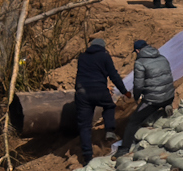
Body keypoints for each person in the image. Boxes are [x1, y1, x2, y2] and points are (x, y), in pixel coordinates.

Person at [74, 36, 130, 164]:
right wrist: (124, 91)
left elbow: (81, 74)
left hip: (82, 92)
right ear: (103, 47)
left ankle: (87, 157)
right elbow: (113, 75)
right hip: (99, 90)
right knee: (109, 106)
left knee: (85, 125)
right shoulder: (104, 56)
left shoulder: (82, 57)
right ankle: (109, 130)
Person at [115, 39, 174, 156]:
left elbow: (138, 85)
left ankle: (123, 149)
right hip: (169, 95)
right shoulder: (162, 57)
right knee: (160, 94)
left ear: (137, 50)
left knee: (132, 122)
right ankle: (166, 104)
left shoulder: (140, 62)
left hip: (154, 101)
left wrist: (137, 97)